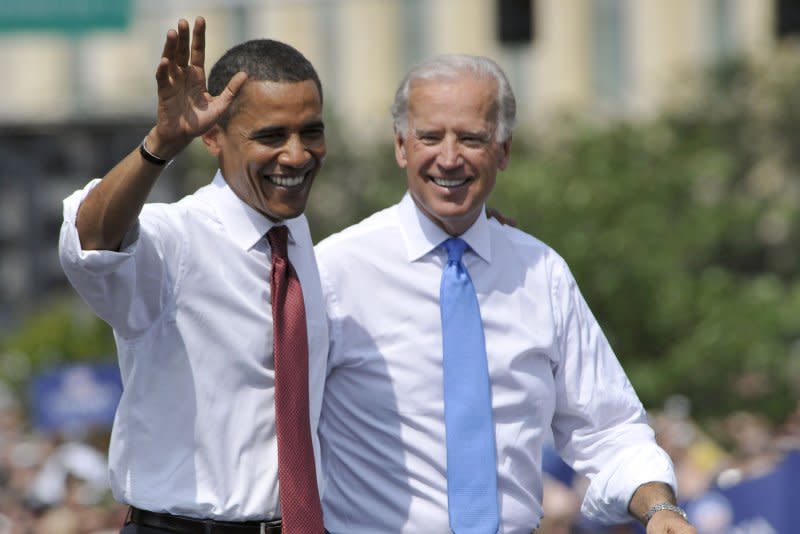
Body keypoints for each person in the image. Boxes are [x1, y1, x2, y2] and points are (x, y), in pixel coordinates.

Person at [314, 54, 698, 534]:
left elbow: (608, 427)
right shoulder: (333, 271)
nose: (449, 158)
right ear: (400, 146)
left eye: (471, 138)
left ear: (503, 150)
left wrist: (662, 509)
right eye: (430, 137)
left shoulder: (542, 273)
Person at [58, 16, 328, 534]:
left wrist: (480, 230)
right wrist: (159, 143)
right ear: (212, 137)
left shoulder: (298, 242)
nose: (295, 155)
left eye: (310, 132)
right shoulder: (175, 238)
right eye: (271, 136)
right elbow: (90, 241)